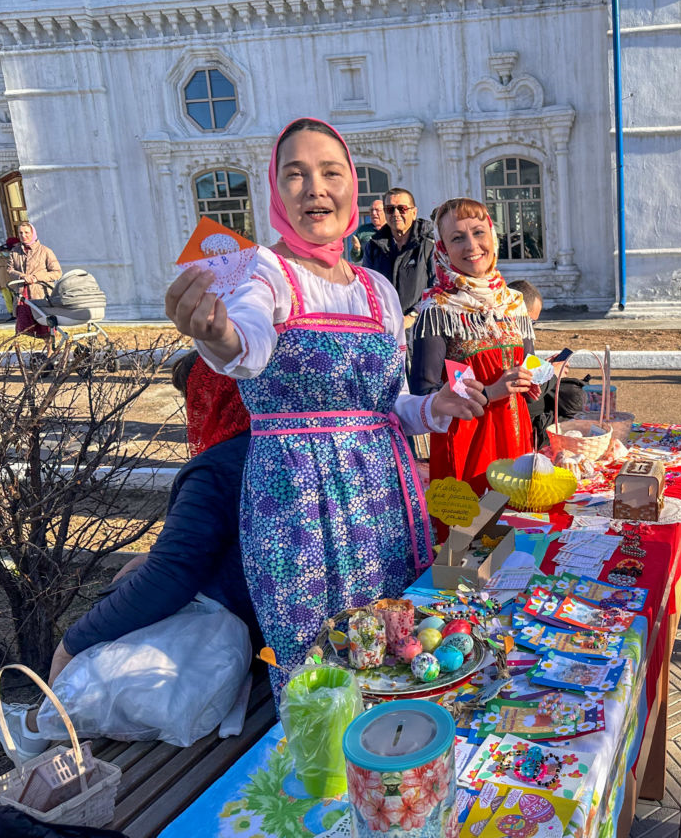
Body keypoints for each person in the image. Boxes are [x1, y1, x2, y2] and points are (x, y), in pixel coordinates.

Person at [165, 118, 485, 697]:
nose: (316, 187)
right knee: (320, 667)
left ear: (352, 186)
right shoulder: (263, 271)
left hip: (382, 498)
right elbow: (248, 346)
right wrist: (218, 335)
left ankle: (402, 772)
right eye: (297, 174)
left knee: (399, 651)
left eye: (331, 172)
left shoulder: (377, 290)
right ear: (276, 190)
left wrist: (433, 403)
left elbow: (389, 407)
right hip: (296, 507)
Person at [0, 351, 259, 761]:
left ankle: (35, 728)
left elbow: (168, 579)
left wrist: (72, 642)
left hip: (232, 644)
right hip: (263, 634)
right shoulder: (288, 446)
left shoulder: (219, 467)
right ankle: (35, 723)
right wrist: (153, 559)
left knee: (103, 661)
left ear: (211, 400)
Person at [409, 197, 536, 491]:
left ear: (492, 235)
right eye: (457, 237)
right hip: (467, 447)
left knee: (518, 524)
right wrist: (490, 393)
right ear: (442, 248)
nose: (472, 245)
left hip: (516, 437)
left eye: (479, 232)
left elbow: (528, 367)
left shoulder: (514, 303)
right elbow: (426, 392)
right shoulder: (438, 309)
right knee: (473, 533)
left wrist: (543, 373)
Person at [507, 279, 587, 447]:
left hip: (537, 411)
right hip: (529, 421)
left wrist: (544, 365)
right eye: (531, 322)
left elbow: (526, 368)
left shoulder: (518, 333)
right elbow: (527, 391)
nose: (532, 328)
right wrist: (552, 372)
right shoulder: (508, 337)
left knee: (575, 399)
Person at [363, 188, 435, 331]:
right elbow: (366, 289)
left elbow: (437, 289)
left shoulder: (429, 244)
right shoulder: (373, 246)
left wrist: (413, 316)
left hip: (422, 329)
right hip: (385, 331)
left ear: (414, 213)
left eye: (402, 209)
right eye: (390, 209)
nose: (396, 214)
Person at [4, 221, 61, 339]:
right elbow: (9, 270)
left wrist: (36, 277)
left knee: (46, 326)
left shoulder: (45, 251)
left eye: (26, 232)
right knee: (22, 329)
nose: (23, 235)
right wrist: (22, 275)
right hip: (22, 295)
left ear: (33, 233)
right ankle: (24, 353)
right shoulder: (15, 252)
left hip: (41, 294)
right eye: (20, 233)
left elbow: (57, 273)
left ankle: (51, 352)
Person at [346, 198, 385, 263]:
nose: (374, 213)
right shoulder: (363, 230)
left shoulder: (392, 228)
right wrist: (356, 248)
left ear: (385, 212)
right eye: (371, 210)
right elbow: (355, 259)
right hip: (370, 270)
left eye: (377, 210)